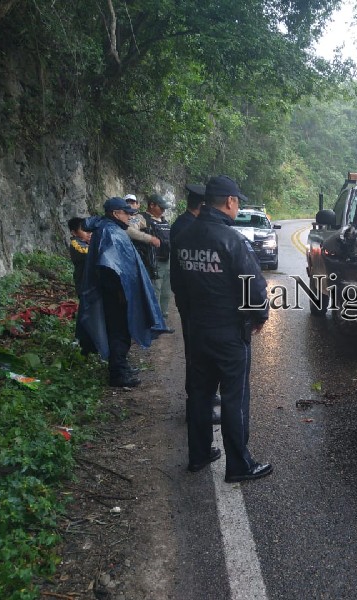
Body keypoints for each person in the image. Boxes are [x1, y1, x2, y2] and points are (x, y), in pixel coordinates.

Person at [171, 175, 272, 482]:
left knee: (200, 394)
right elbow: (253, 289)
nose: (237, 205)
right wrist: (259, 317)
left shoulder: (185, 236)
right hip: (229, 333)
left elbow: (178, 285)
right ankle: (240, 465)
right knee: (234, 397)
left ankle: (199, 454)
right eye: (236, 200)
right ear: (229, 202)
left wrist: (191, 319)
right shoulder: (233, 240)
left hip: (198, 329)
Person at [77, 197, 168, 387]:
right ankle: (118, 373)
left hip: (117, 292)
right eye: (126, 213)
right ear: (115, 213)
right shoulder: (109, 232)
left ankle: (121, 365)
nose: (129, 216)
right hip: (115, 294)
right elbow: (108, 267)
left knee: (120, 331)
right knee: (118, 331)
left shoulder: (110, 229)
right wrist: (120, 292)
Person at [171, 183, 222, 425]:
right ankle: (198, 407)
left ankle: (206, 399)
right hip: (194, 305)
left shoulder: (183, 225)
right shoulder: (188, 229)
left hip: (192, 303)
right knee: (197, 357)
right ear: (203, 206)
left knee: (202, 356)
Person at [142, 194, 174, 327]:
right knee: (155, 291)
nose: (163, 210)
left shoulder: (164, 221)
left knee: (166, 292)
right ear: (151, 205)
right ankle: (154, 321)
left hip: (167, 260)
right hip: (153, 261)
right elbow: (130, 232)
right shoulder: (142, 219)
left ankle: (163, 318)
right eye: (161, 207)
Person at [124, 194, 161, 282]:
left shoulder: (139, 217)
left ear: (138, 204)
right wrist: (149, 238)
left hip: (145, 255)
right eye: (128, 202)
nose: (131, 205)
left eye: (134, 202)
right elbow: (130, 229)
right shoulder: (130, 217)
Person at [67, 216, 91, 295]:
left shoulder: (87, 243)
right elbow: (91, 253)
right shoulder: (76, 244)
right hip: (85, 284)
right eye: (84, 230)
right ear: (74, 233)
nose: (89, 233)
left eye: (89, 229)